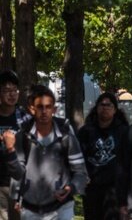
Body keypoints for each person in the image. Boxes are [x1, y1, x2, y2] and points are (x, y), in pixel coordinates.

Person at [11, 86, 87, 220]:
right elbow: (17, 173)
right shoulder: (22, 136)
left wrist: (71, 188)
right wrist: (16, 196)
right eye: (40, 107)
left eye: (48, 106)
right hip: (30, 209)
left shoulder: (66, 135)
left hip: (62, 207)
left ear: (54, 109)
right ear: (32, 109)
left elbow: (81, 172)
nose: (44, 111)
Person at [77, 93, 131, 220]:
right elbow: (79, 157)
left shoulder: (123, 131)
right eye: (102, 104)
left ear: (115, 109)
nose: (105, 107)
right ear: (96, 108)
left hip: (114, 189)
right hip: (92, 188)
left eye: (109, 105)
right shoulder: (86, 131)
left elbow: (127, 160)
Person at [0, 70, 31, 219]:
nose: (12, 94)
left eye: (14, 90)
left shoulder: (25, 119)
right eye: (7, 90)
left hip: (18, 183)